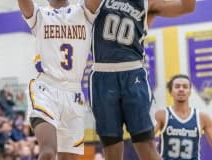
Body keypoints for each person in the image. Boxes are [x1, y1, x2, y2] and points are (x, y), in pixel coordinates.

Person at [84, 0, 196, 160]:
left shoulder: (148, 2)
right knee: (111, 148)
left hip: (133, 73)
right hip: (102, 73)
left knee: (145, 145)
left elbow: (187, 7)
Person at [17, 0, 95, 160]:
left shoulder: (83, 11)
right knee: (48, 152)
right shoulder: (40, 14)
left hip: (74, 94)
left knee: (69, 158)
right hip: (46, 90)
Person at [155, 74, 212, 160]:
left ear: (190, 91)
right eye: (177, 86)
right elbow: (146, 142)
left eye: (185, 87)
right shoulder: (162, 115)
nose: (181, 89)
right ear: (171, 91)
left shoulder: (203, 118)